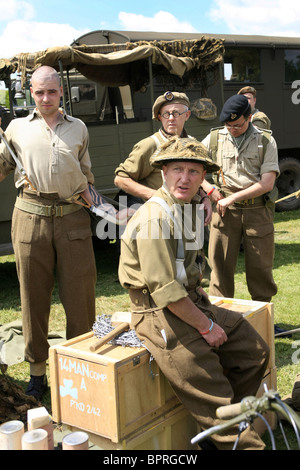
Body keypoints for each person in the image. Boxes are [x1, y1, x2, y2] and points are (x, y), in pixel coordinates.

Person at [118, 136, 270, 450]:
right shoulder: (155, 218)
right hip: (159, 313)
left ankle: (223, 426)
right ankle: (231, 432)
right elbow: (166, 292)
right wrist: (207, 326)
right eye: (177, 169)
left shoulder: (185, 208)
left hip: (190, 301)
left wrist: (205, 313)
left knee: (254, 351)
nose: (184, 178)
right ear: (162, 171)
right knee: (214, 392)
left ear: (203, 178)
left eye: (193, 171)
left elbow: (186, 270)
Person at [0, 66, 97, 400]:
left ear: (61, 92)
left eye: (51, 92)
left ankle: (81, 368)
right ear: (31, 92)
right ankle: (37, 374)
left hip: (73, 219)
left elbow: (86, 177)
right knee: (33, 298)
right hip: (30, 218)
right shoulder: (14, 129)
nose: (45, 99)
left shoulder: (79, 128)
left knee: (81, 298)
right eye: (39, 93)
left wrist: (107, 210)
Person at [201, 94, 279, 302]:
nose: (231, 129)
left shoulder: (265, 141)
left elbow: (267, 184)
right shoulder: (215, 138)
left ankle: (263, 319)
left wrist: (232, 199)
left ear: (249, 118)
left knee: (260, 268)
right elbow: (194, 166)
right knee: (220, 268)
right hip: (224, 210)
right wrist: (209, 189)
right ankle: (221, 319)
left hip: (257, 210)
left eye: (237, 125)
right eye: (228, 124)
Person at [114, 91, 212, 225]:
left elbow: (194, 177)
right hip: (158, 220)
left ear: (187, 115)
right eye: (166, 114)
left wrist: (204, 197)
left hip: (188, 218)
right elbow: (120, 179)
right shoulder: (150, 145)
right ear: (160, 117)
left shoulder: (193, 144)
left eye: (176, 113)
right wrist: (156, 197)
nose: (171, 118)